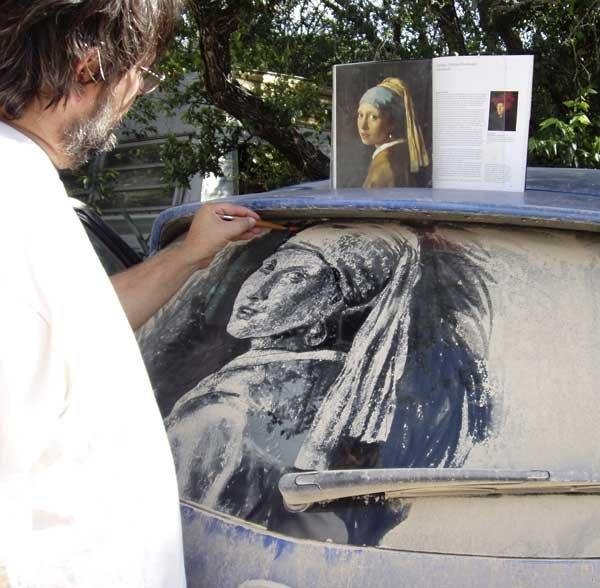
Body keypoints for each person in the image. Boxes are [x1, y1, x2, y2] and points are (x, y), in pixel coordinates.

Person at [0, 2, 260, 586]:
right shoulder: (10, 212)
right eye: (140, 73)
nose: (138, 92)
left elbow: (68, 338)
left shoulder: (24, 188)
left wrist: (189, 255)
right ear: (88, 70)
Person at [165, 223, 421, 530]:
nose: (260, 289)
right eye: (267, 267)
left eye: (295, 277)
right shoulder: (338, 386)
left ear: (324, 315)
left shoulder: (224, 409)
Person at [357, 77, 430, 189]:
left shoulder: (382, 166)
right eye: (360, 115)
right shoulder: (401, 151)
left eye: (373, 117)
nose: (363, 126)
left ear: (392, 122)